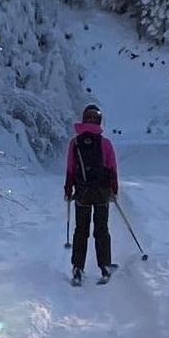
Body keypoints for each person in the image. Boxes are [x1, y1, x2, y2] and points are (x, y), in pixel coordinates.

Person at [64, 104, 118, 285]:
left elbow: (71, 169)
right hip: (102, 193)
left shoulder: (75, 143)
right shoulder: (105, 143)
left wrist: (68, 189)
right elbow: (112, 168)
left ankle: (78, 268)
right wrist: (114, 190)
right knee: (102, 230)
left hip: (82, 193)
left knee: (81, 230)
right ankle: (105, 267)